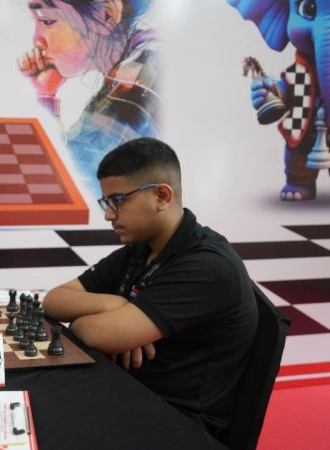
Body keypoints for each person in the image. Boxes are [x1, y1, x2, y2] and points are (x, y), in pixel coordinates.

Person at [42, 137, 258, 439]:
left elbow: (92, 333)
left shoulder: (208, 266)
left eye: (118, 200)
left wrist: (101, 323)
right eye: (106, 202)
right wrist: (117, 306)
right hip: (129, 389)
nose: (109, 215)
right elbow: (53, 300)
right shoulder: (141, 249)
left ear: (162, 196)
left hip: (177, 423)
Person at [19, 0, 160, 193]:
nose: (36, 40)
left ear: (107, 14)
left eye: (47, 21)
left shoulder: (134, 84)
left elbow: (67, 182)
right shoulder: (142, 58)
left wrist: (45, 97)